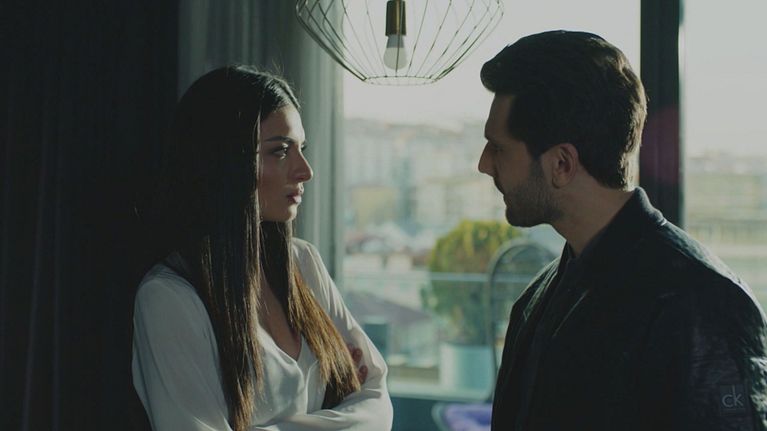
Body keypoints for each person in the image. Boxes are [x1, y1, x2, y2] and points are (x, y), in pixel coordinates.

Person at [477, 30, 767, 430]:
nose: (484, 164)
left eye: (498, 147)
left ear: (562, 164)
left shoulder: (701, 304)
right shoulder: (536, 299)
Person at [131, 66, 393, 431]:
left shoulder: (304, 263)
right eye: (280, 151)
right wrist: (340, 417)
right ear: (223, 162)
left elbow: (377, 403)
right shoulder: (169, 299)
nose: (305, 171)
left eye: (301, 148)